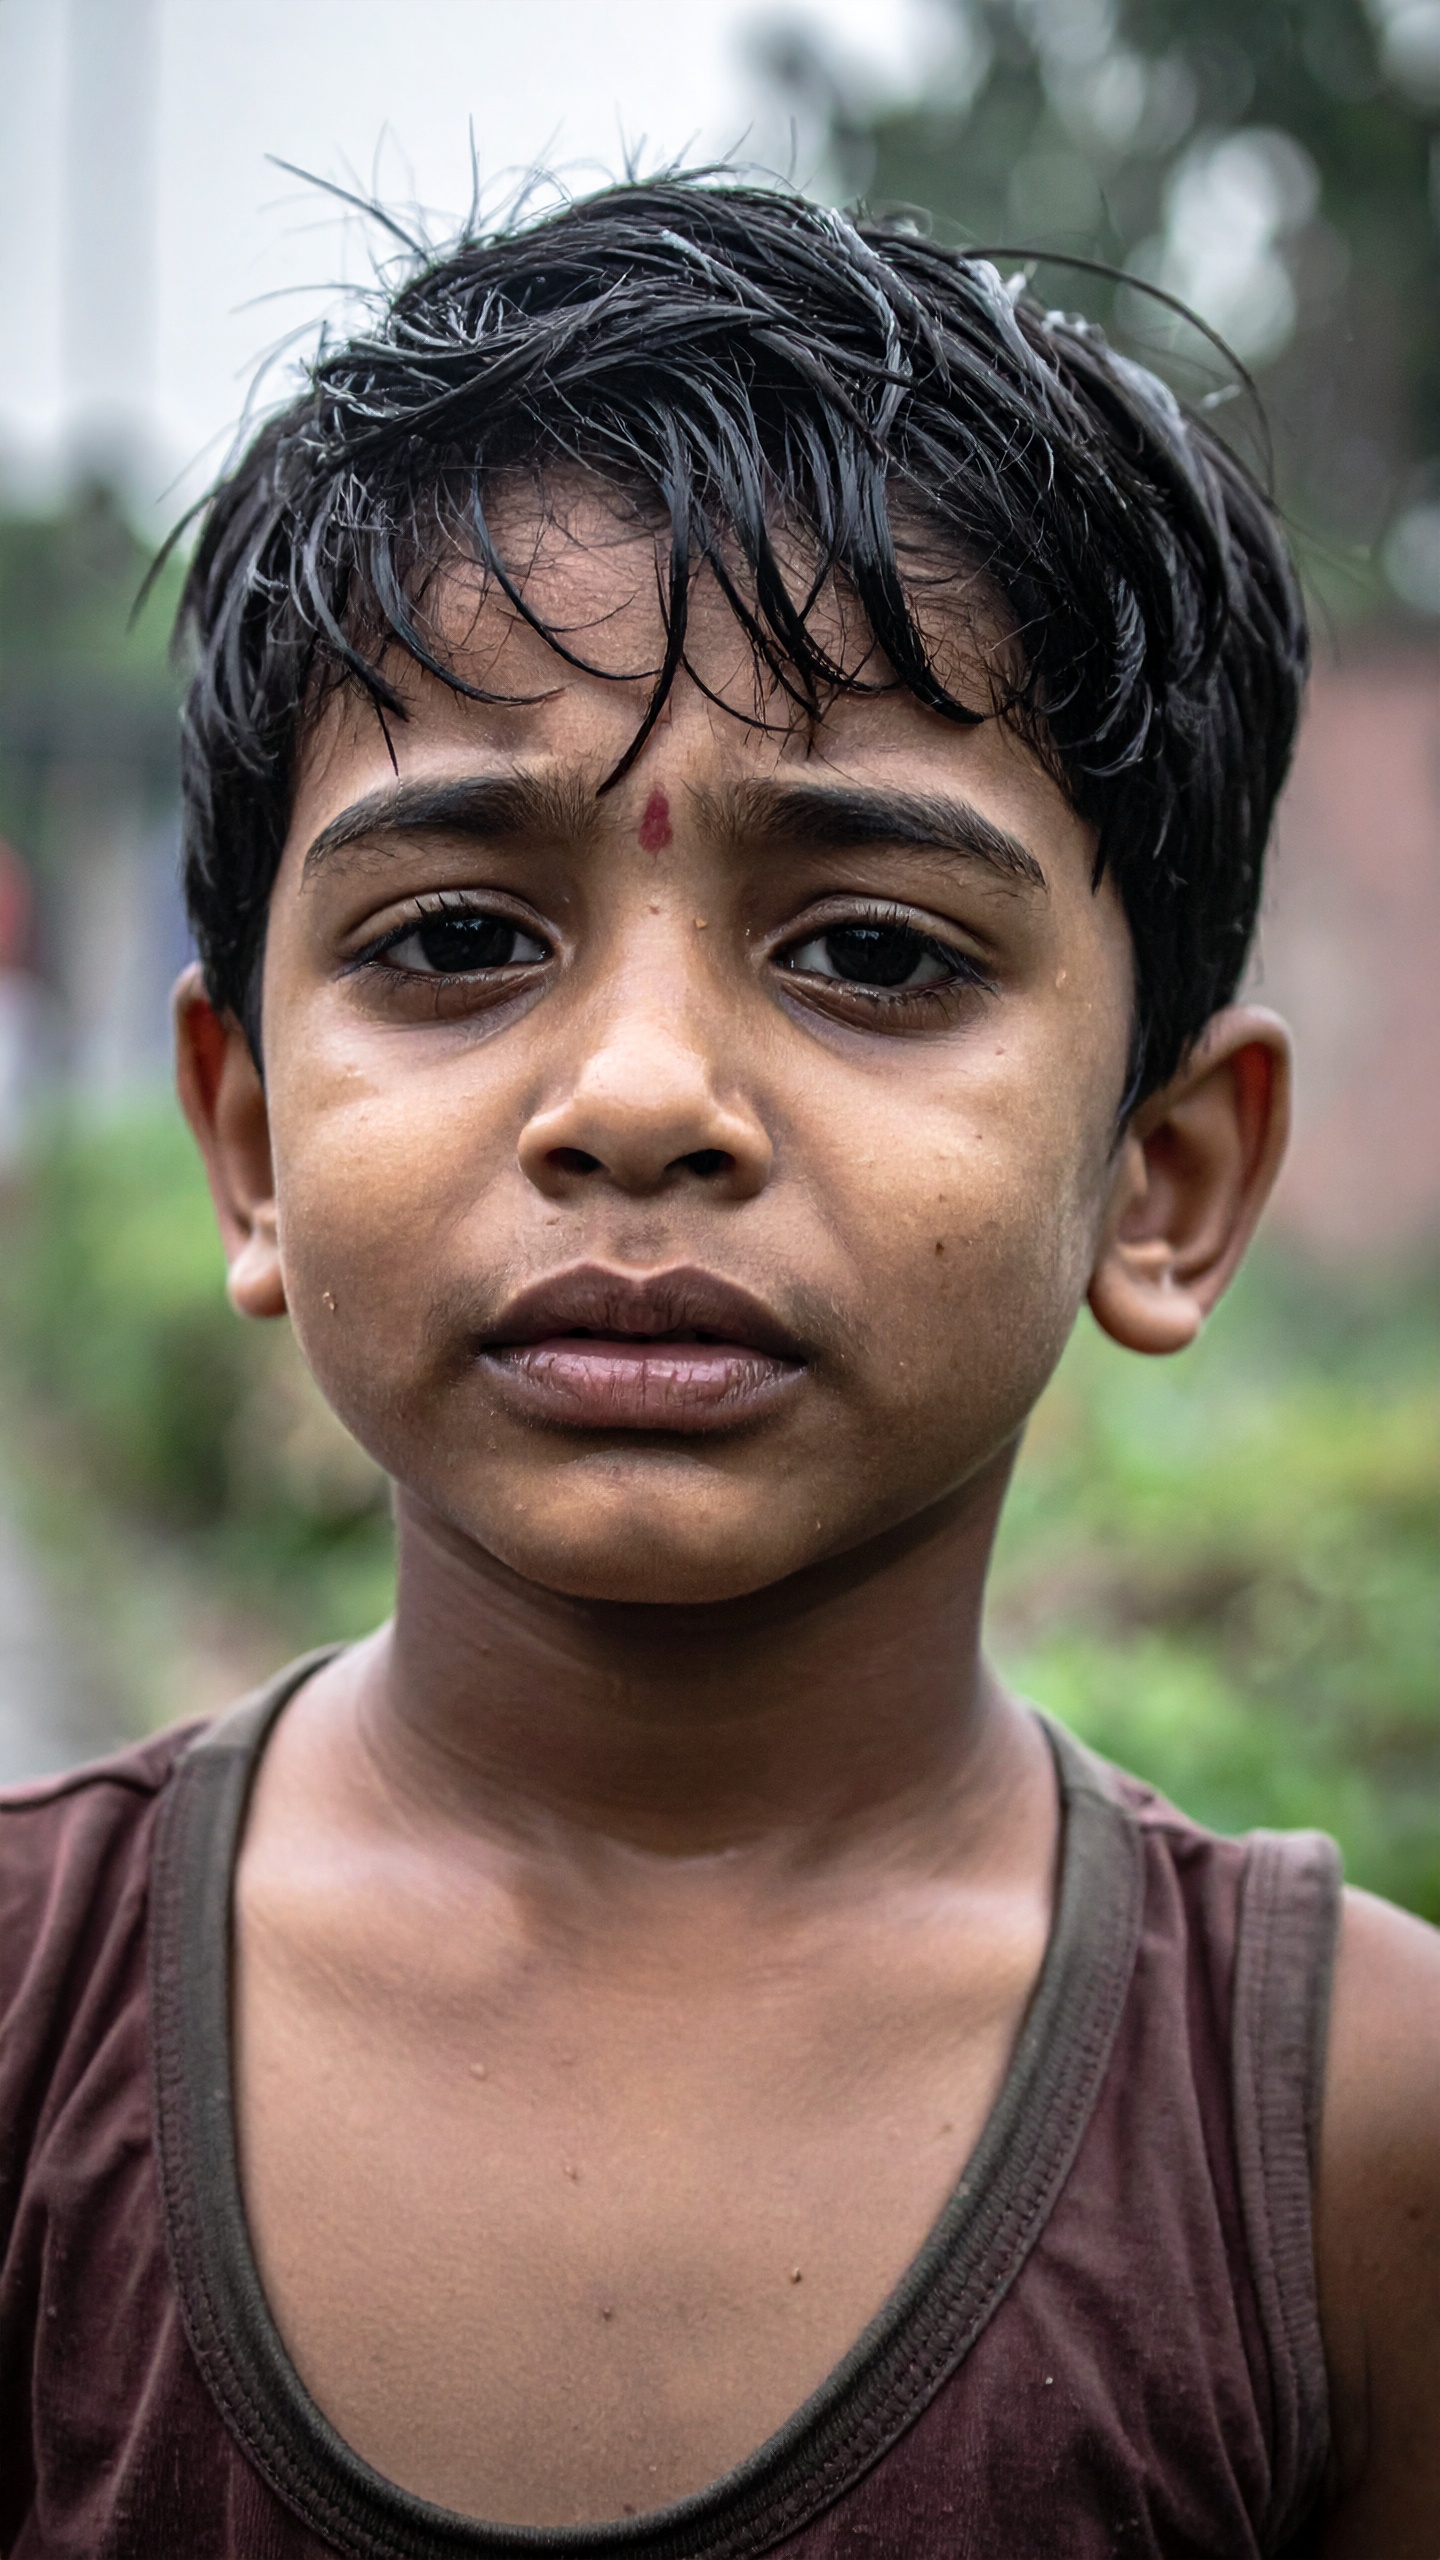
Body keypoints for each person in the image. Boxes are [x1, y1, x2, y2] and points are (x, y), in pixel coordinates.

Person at [1, 180, 1435, 2559]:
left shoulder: (1346, 2144)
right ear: (248, 1139)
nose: (643, 1090)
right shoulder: (31, 2036)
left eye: (874, 949)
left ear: (1168, 1175)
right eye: (458, 934)